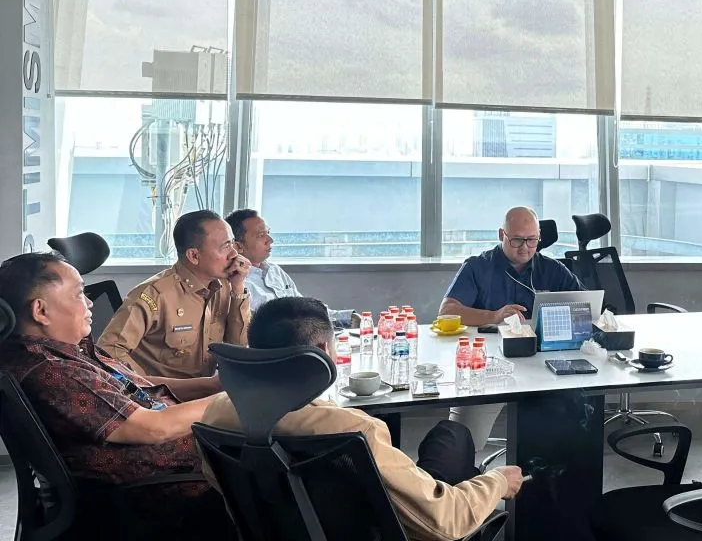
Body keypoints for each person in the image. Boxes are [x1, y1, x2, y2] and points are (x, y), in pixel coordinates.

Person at [200, 296, 525, 541]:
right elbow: (445, 521)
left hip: (279, 527)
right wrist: (496, 481)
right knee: (455, 439)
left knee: (450, 435)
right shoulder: (352, 429)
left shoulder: (217, 414)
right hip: (377, 528)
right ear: (323, 350)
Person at [0, 252, 232, 537]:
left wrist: (210, 386)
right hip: (162, 494)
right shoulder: (53, 370)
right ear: (41, 311)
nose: (89, 303)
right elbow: (153, 428)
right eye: (79, 293)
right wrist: (235, 400)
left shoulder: (63, 353)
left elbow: (132, 384)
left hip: (182, 469)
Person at [438, 206, 585, 452]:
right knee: (461, 444)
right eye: (517, 240)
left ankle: (539, 469)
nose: (525, 247)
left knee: (566, 435)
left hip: (542, 364)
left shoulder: (552, 269)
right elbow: (447, 311)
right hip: (488, 365)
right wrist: (494, 316)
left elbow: (586, 306)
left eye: (532, 240)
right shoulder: (478, 267)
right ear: (501, 235)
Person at [98, 210, 252, 378]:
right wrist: (150, 385)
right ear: (194, 255)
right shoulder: (153, 295)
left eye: (232, 244)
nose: (234, 254)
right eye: (226, 247)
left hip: (207, 388)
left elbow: (238, 346)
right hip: (166, 392)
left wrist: (238, 288)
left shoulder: (225, 285)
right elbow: (109, 351)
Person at [225, 208, 354, 326]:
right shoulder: (236, 282)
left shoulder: (274, 270)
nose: (270, 240)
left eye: (268, 232)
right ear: (238, 246)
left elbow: (305, 309)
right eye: (261, 235)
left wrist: (347, 318)